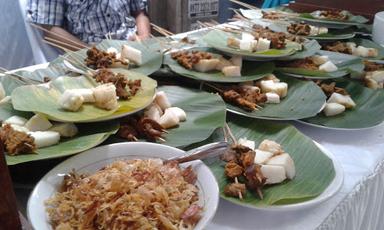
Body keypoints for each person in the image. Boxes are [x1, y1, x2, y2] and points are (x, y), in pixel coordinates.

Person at [26, 0, 151, 48]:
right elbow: (49, 30)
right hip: (88, 52)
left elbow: (139, 12)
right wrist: (93, 53)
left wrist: (144, 39)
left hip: (131, 46)